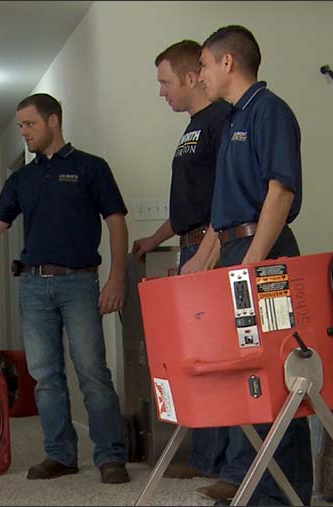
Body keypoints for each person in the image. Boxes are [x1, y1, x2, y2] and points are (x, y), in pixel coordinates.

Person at [0, 93, 130, 484]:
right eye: (20, 126)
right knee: (45, 375)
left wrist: (116, 277)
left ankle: (110, 455)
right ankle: (60, 454)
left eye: (29, 124)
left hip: (80, 283)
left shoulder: (91, 168)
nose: (24, 133)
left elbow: (116, 222)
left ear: (54, 121)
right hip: (34, 287)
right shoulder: (23, 178)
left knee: (92, 372)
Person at [196, 25, 312, 505]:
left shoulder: (270, 112)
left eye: (203, 65)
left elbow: (280, 191)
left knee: (280, 370)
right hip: (234, 252)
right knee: (251, 372)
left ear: (227, 63)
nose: (199, 75)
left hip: (262, 254)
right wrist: (206, 261)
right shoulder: (231, 120)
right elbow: (224, 208)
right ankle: (259, 481)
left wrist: (253, 265)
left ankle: (283, 492)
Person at [131, 40, 231, 479]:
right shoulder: (192, 128)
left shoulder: (222, 121)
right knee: (197, 356)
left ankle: (225, 465)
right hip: (191, 245)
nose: (160, 91)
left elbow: (228, 197)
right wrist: (153, 240)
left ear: (193, 76)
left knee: (218, 357)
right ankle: (207, 460)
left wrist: (208, 251)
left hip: (214, 248)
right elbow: (187, 204)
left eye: (165, 81)